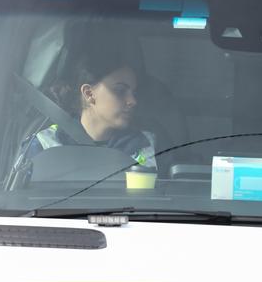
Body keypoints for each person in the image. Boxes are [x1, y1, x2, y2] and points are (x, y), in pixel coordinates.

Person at [10, 44, 157, 186]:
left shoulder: (148, 145)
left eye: (134, 93)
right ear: (89, 94)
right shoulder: (43, 144)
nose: (132, 101)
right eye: (120, 91)